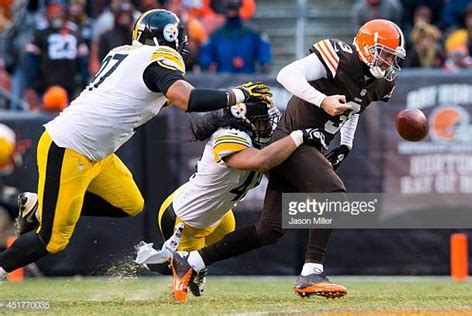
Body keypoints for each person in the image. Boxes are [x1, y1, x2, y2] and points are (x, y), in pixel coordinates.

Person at [0, 9, 271, 282]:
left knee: (129, 203)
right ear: (167, 37)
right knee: (53, 239)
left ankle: (40, 207)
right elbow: (187, 100)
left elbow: (151, 98)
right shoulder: (157, 59)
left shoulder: (126, 53)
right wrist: (238, 94)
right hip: (70, 146)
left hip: (95, 151)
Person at [168, 19, 406, 300]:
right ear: (366, 47)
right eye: (385, 53)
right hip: (292, 140)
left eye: (393, 56)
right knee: (333, 192)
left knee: (268, 230)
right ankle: (312, 272)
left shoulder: (381, 81)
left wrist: (346, 142)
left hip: (313, 145)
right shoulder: (338, 56)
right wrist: (322, 100)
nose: (389, 61)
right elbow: (287, 74)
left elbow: (355, 106)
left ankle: (191, 261)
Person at [136, 102, 326, 301]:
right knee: (179, 269)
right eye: (263, 123)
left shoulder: (255, 142)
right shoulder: (229, 136)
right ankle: (152, 260)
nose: (269, 128)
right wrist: (298, 137)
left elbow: (273, 170)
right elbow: (262, 161)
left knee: (212, 253)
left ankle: (193, 265)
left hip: (221, 215)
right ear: (245, 120)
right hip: (184, 218)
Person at [199, 0, 271, 73]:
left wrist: (265, 61)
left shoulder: (252, 33)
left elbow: (263, 47)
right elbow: (206, 52)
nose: (231, 12)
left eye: (232, 8)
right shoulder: (216, 34)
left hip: (248, 75)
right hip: (223, 78)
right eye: (228, 8)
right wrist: (205, 63)